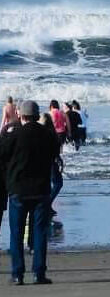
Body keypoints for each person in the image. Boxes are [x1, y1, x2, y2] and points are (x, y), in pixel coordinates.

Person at [0, 101, 60, 285]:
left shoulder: (13, 135)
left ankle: (17, 274)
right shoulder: (48, 136)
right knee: (39, 233)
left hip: (18, 189)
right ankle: (38, 273)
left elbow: (2, 157)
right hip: (41, 189)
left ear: (21, 115)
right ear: (37, 115)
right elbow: (54, 155)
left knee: (16, 233)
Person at [38, 114, 64, 217]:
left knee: (48, 184)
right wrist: (59, 160)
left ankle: (46, 205)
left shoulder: (39, 134)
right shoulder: (52, 133)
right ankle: (47, 204)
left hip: (42, 162)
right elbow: (56, 150)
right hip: (51, 162)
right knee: (58, 183)